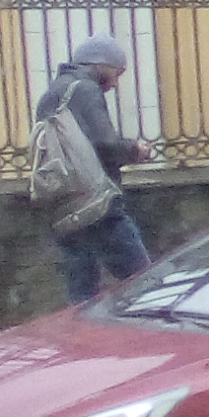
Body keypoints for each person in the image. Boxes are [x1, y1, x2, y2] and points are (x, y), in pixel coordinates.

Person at [36, 33, 154, 304]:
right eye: (116, 72)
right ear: (101, 63)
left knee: (81, 293)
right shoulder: (86, 89)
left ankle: (82, 331)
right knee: (142, 283)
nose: (114, 83)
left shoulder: (52, 93)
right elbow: (104, 144)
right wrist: (135, 149)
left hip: (64, 203)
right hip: (97, 203)